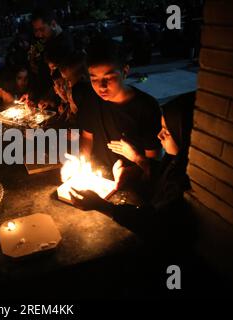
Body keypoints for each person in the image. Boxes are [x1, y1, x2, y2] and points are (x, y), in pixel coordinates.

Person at [70, 92, 196, 247]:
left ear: (184, 134)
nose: (159, 135)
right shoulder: (175, 160)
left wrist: (101, 205)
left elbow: (153, 222)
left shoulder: (185, 179)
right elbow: (158, 173)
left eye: (167, 132)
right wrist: (136, 159)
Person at [79, 38, 161, 185]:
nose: (101, 87)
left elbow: (154, 161)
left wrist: (134, 168)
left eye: (109, 77)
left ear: (124, 71)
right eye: (94, 79)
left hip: (132, 183)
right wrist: (82, 166)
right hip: (99, 178)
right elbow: (87, 137)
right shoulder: (91, 98)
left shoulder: (146, 107)